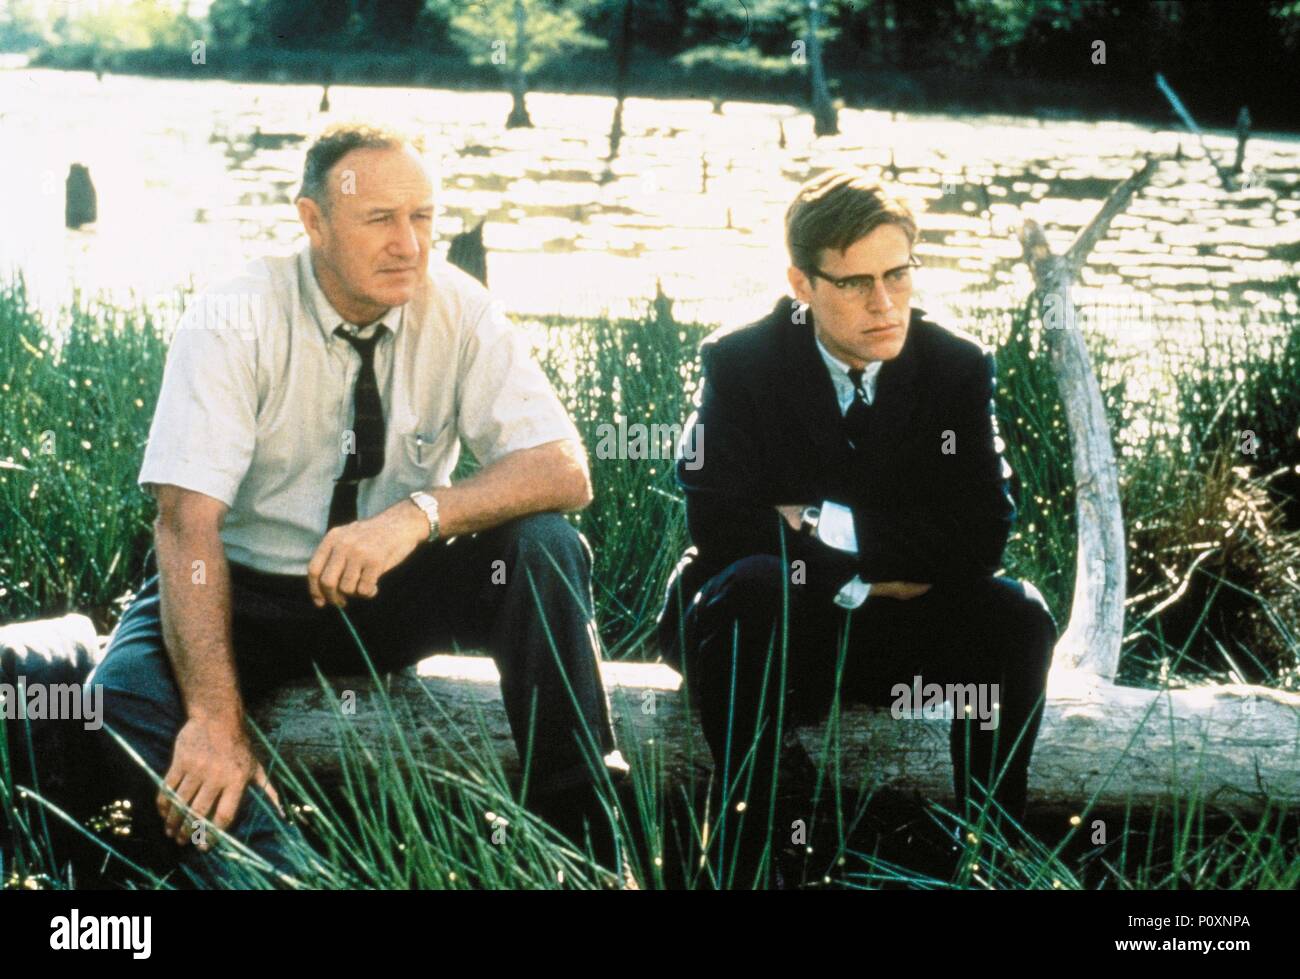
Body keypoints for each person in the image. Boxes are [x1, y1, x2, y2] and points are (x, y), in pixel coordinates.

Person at [85, 122, 629, 887]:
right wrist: (213, 715)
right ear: (313, 221)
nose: (409, 243)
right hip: (244, 594)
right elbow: (186, 525)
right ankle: (278, 871)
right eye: (380, 219)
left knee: (545, 545)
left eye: (424, 218)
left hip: (390, 587)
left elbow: (565, 469)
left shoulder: (460, 309)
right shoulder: (232, 318)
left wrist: (417, 515)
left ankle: (584, 849)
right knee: (116, 694)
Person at [657, 168, 1058, 888]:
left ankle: (990, 855)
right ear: (801, 284)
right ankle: (751, 857)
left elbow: (982, 535)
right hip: (773, 629)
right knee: (753, 583)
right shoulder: (740, 361)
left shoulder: (955, 367)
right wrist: (880, 575)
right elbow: (720, 521)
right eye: (854, 282)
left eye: (898, 274)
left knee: (1018, 613)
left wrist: (818, 520)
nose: (884, 303)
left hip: (887, 642)